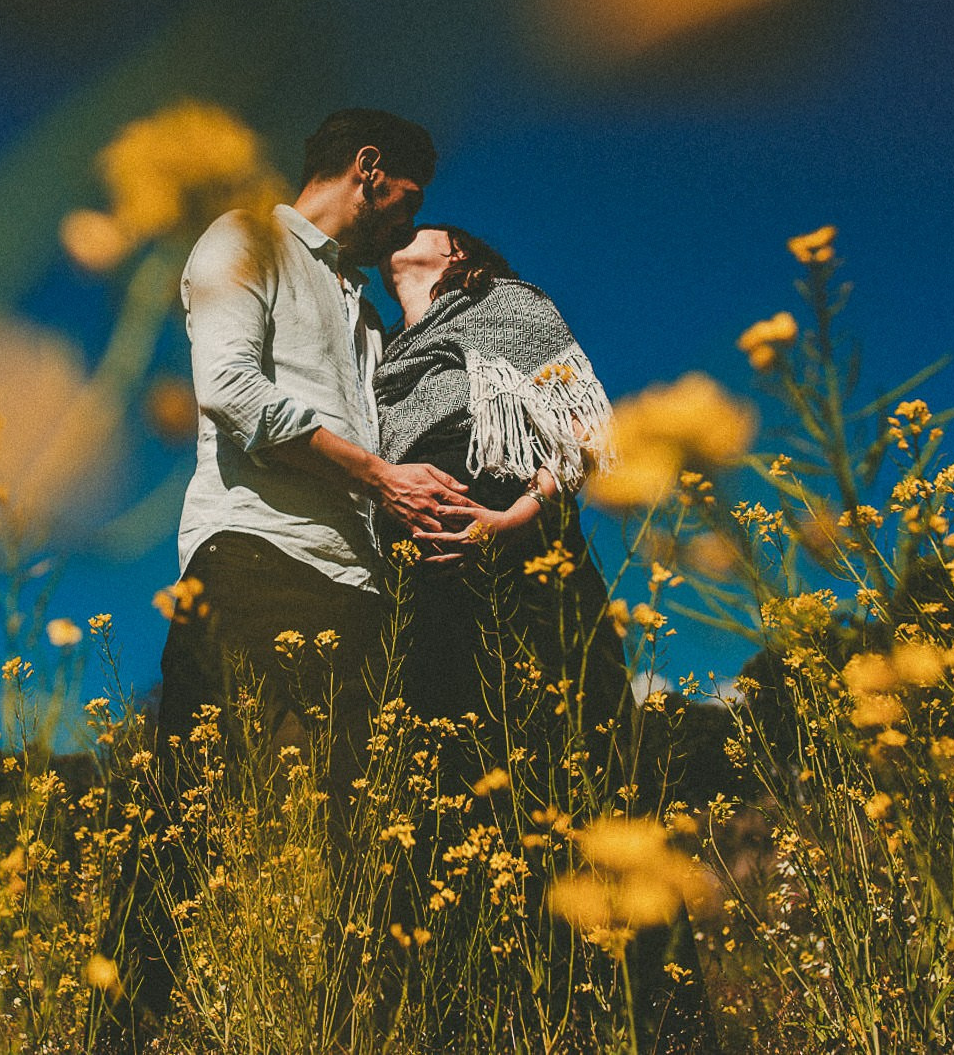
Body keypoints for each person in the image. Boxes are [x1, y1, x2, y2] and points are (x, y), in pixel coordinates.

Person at [115, 108, 474, 1019]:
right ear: (368, 168)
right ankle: (126, 1028)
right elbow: (229, 388)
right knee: (190, 820)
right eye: (408, 199)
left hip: (356, 584)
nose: (408, 222)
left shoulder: (365, 313)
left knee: (364, 843)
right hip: (253, 555)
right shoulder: (245, 239)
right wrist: (379, 477)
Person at [374, 224, 630, 739]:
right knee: (450, 732)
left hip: (520, 538)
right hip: (419, 566)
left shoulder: (507, 303)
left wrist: (518, 517)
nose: (400, 230)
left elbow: (583, 424)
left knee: (566, 721)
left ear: (456, 251)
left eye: (419, 227)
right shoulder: (381, 351)